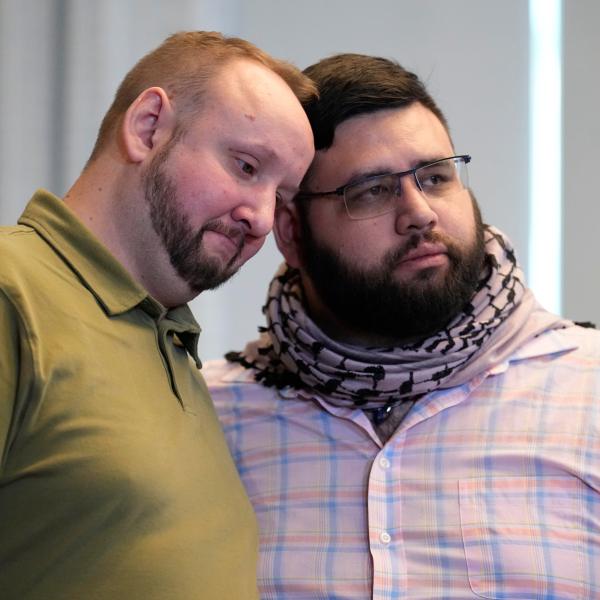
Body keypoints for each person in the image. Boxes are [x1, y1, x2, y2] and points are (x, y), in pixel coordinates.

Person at [206, 53, 600, 598]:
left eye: (435, 177)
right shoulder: (209, 419)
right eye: (372, 190)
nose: (419, 212)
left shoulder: (590, 386)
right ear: (292, 232)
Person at [0, 31, 314, 599]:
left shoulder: (168, 339)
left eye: (282, 196)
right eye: (246, 166)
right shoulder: (13, 292)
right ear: (148, 127)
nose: (263, 218)